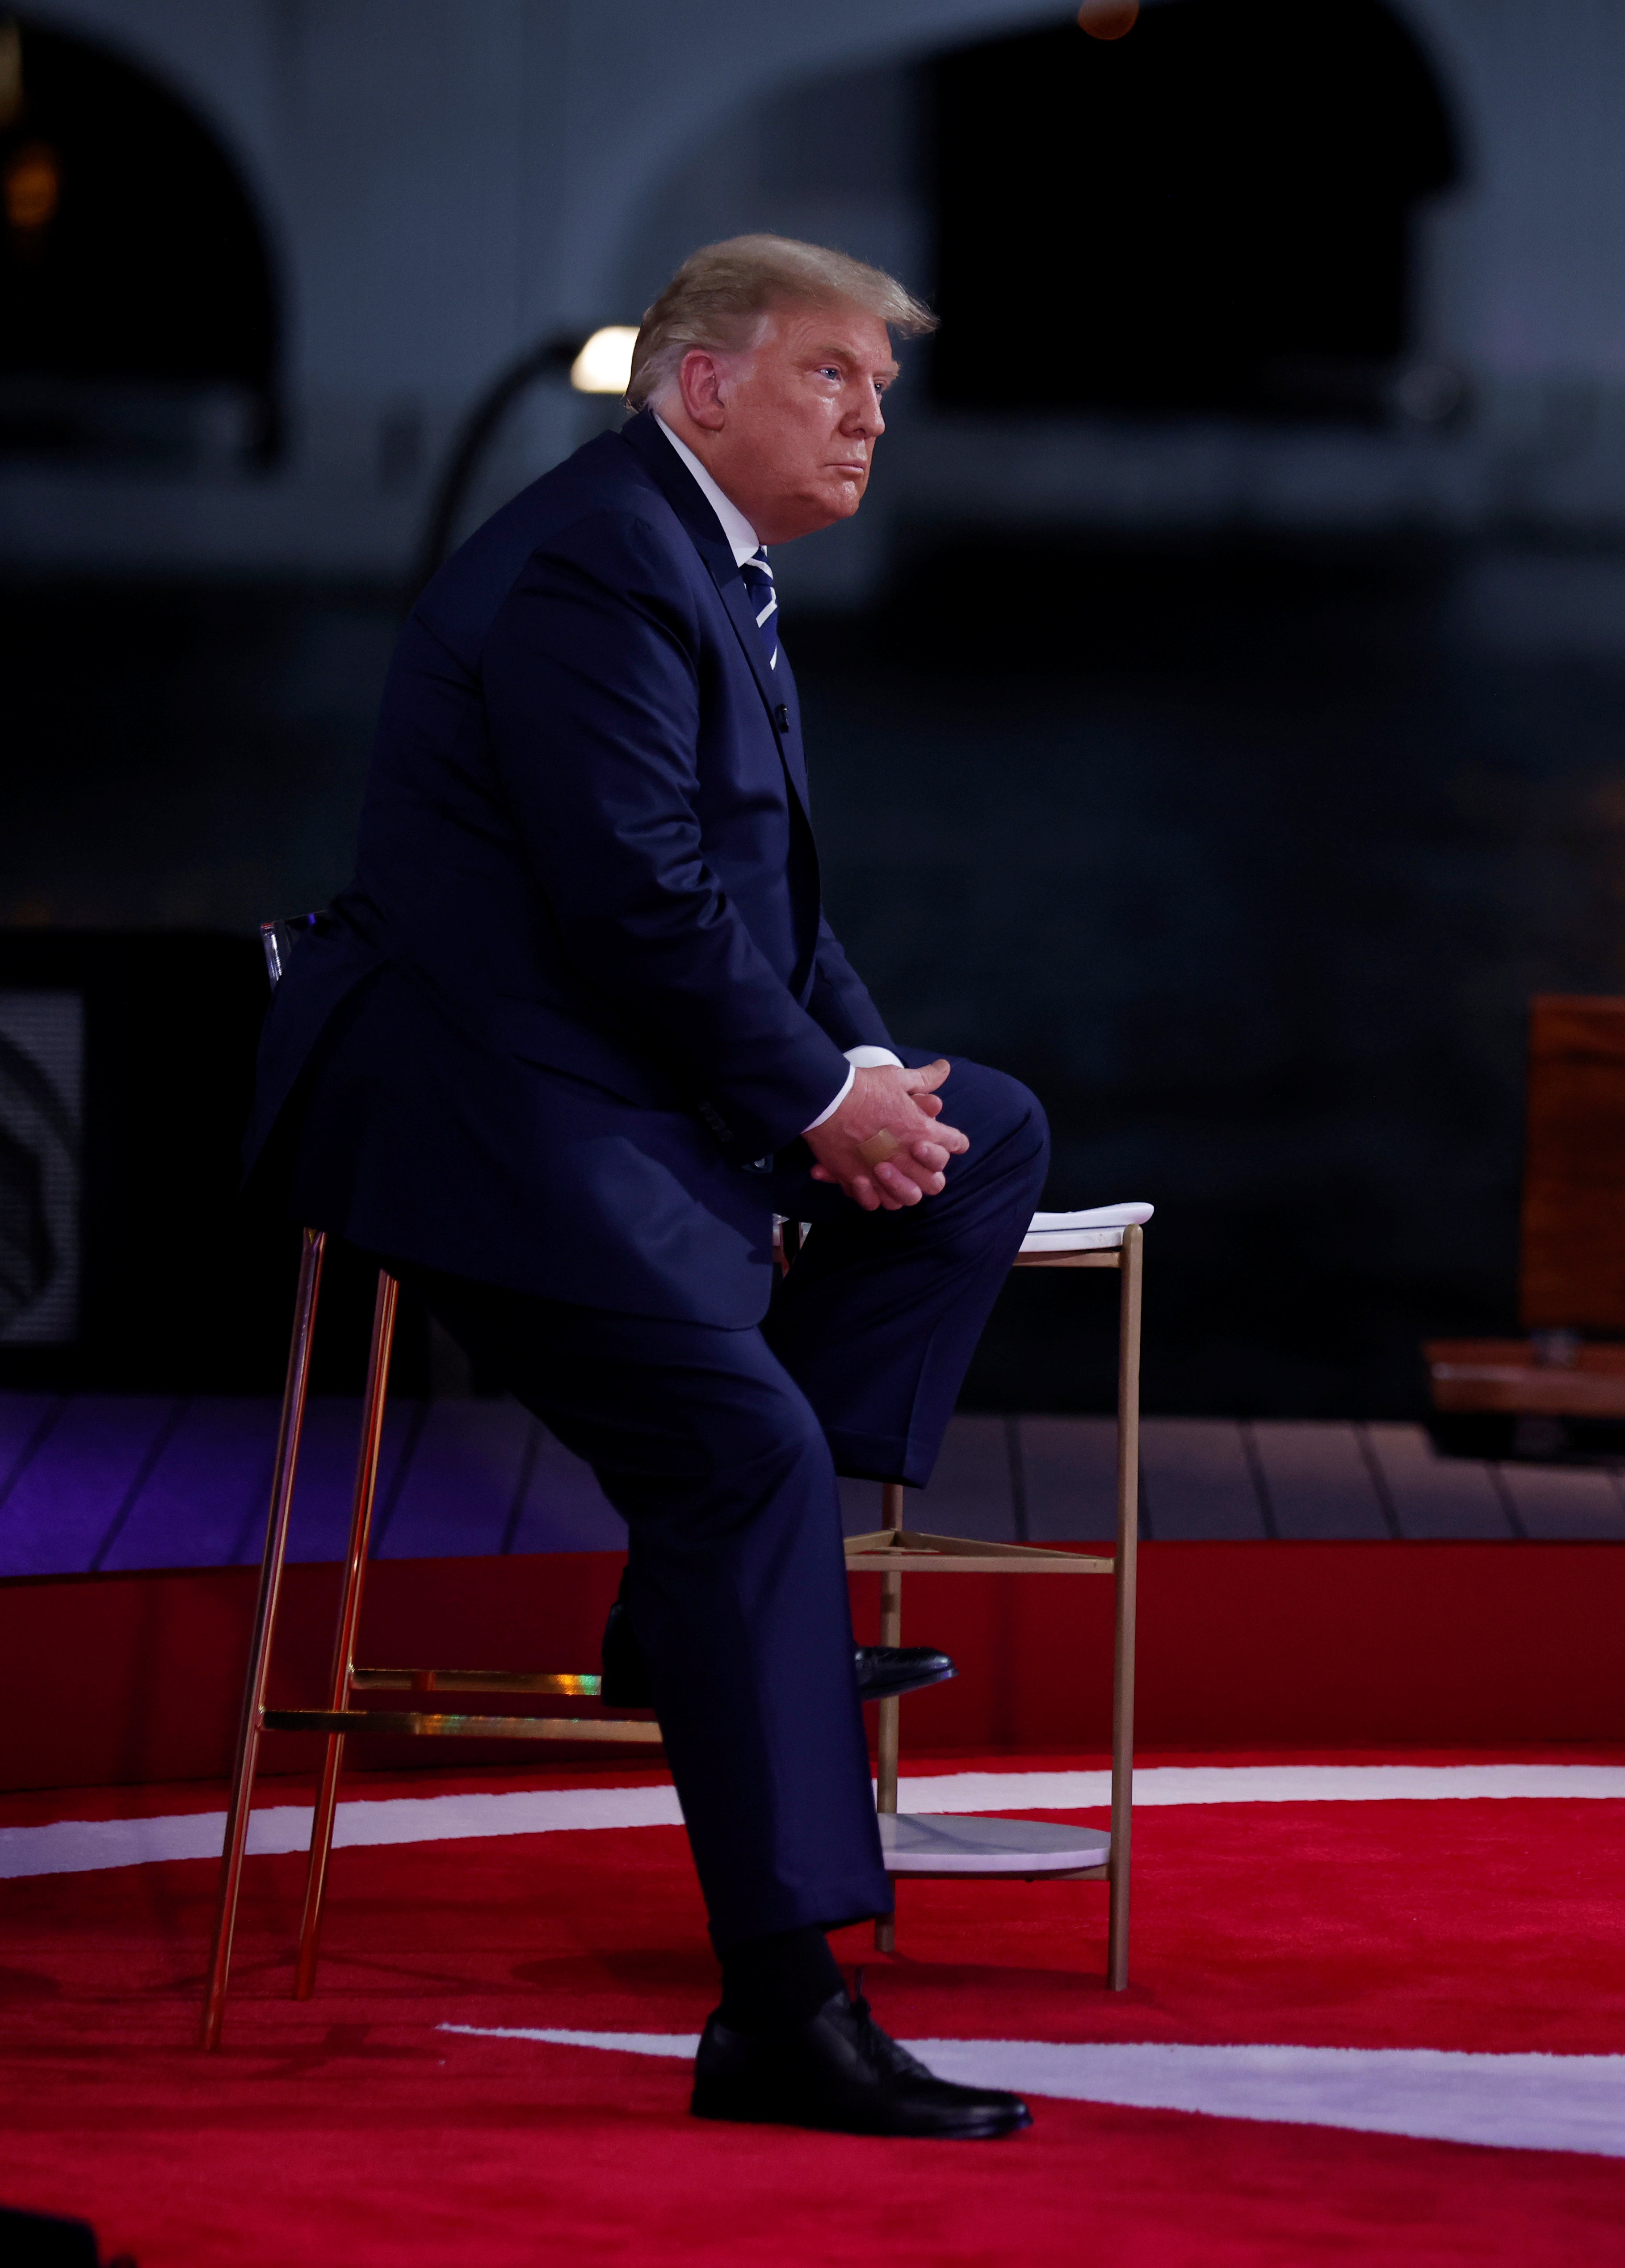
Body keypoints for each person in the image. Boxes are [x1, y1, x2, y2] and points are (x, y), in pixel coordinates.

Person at [247, 236, 1039, 2142]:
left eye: (879, 389)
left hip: (616, 1072)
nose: (871, 418)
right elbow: (633, 906)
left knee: (981, 1134)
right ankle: (780, 2014)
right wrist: (810, 1100)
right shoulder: (601, 560)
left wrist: (863, 1082)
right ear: (702, 387)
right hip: (488, 1111)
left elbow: (764, 902)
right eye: (832, 377)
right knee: (743, 1460)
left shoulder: (706, 562)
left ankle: (694, 1606)